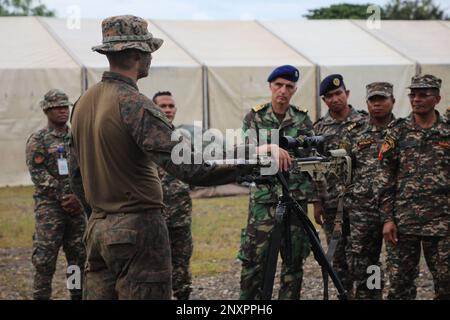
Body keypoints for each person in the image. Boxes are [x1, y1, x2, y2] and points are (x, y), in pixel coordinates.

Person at [69, 15, 285, 300]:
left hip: (97, 231)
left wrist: (99, 215)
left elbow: (75, 173)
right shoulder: (134, 104)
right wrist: (255, 156)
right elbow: (193, 168)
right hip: (137, 231)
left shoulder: (83, 103)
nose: (150, 58)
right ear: (136, 54)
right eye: (148, 52)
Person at [238, 65, 317, 300]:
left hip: (294, 199)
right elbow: (245, 152)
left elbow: (310, 156)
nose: (283, 91)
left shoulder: (302, 118)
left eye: (289, 87)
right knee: (254, 260)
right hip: (265, 200)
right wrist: (268, 148)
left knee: (294, 263)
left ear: (294, 90)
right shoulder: (256, 117)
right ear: (270, 87)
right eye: (278, 85)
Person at [379, 74, 449, 300]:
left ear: (437, 98)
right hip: (404, 222)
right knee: (400, 285)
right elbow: (385, 176)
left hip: (442, 222)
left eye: (423, 95)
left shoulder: (447, 131)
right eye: (413, 94)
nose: (416, 99)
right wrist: (387, 219)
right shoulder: (397, 131)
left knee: (446, 283)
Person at [25, 89, 86, 300]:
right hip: (50, 208)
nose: (62, 111)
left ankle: (76, 296)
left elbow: (88, 169)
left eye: (65, 107)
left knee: (77, 260)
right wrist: (63, 196)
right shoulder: (39, 140)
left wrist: (79, 198)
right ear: (46, 110)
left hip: (77, 208)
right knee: (44, 260)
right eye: (56, 107)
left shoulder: (78, 137)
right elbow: (38, 174)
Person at [340, 82, 396, 299]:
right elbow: (343, 170)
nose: (377, 104)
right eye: (373, 100)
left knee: (399, 266)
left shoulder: (402, 130)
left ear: (393, 101)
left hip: (395, 209)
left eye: (382, 99)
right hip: (363, 210)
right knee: (365, 263)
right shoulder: (355, 133)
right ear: (367, 103)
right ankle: (371, 295)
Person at [313, 74, 367, 296]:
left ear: (347, 93)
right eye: (329, 96)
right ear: (324, 101)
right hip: (332, 205)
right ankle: (343, 294)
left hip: (362, 204)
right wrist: (316, 202)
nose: (335, 99)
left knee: (363, 255)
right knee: (338, 257)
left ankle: (368, 294)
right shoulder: (319, 130)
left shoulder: (365, 123)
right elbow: (315, 169)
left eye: (338, 93)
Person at [153, 91, 193, 300]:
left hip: (181, 213)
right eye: (163, 106)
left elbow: (195, 167)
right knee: (154, 266)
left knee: (181, 263)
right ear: (154, 109)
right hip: (153, 214)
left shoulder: (184, 138)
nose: (168, 110)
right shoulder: (146, 136)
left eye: (171, 106)